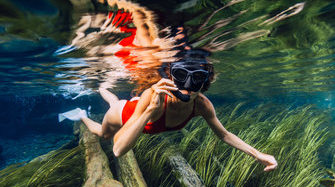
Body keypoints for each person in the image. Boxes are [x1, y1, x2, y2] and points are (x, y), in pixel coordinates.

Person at [59, 56, 277, 172]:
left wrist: (257, 154)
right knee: (105, 133)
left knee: (117, 101)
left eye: (197, 81)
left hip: (134, 108)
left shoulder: (202, 104)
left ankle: (105, 90)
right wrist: (151, 109)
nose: (188, 88)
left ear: (205, 83)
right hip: (122, 114)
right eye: (181, 76)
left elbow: (224, 134)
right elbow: (117, 149)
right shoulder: (153, 96)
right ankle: (82, 113)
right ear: (172, 77)